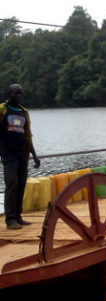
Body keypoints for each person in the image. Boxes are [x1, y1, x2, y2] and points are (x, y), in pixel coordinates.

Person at [0, 84, 40, 230]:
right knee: (12, 184)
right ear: (9, 93)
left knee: (21, 185)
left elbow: (28, 135)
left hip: (23, 154)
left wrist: (34, 156)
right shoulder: (3, 110)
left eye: (21, 93)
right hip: (9, 154)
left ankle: (18, 216)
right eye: (16, 93)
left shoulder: (24, 112)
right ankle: (10, 219)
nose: (18, 96)